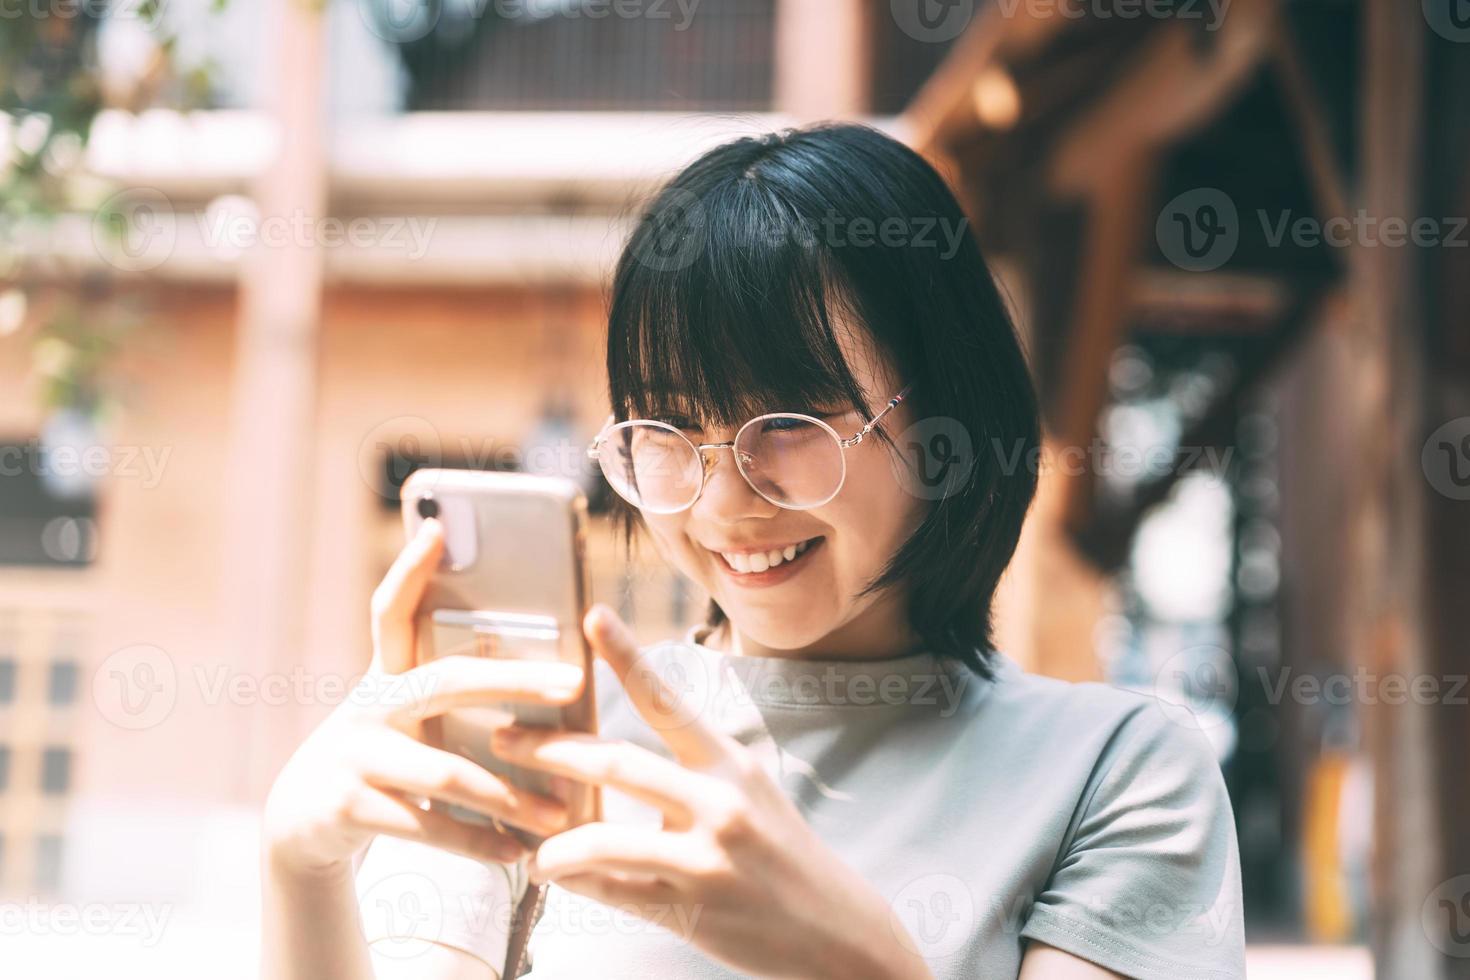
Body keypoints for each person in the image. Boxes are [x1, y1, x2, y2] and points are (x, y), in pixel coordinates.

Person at [260, 123, 1245, 979]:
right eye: (671, 430)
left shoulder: (1117, 773)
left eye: (787, 421)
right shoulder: (548, 735)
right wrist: (298, 865)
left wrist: (847, 954)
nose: (726, 500)